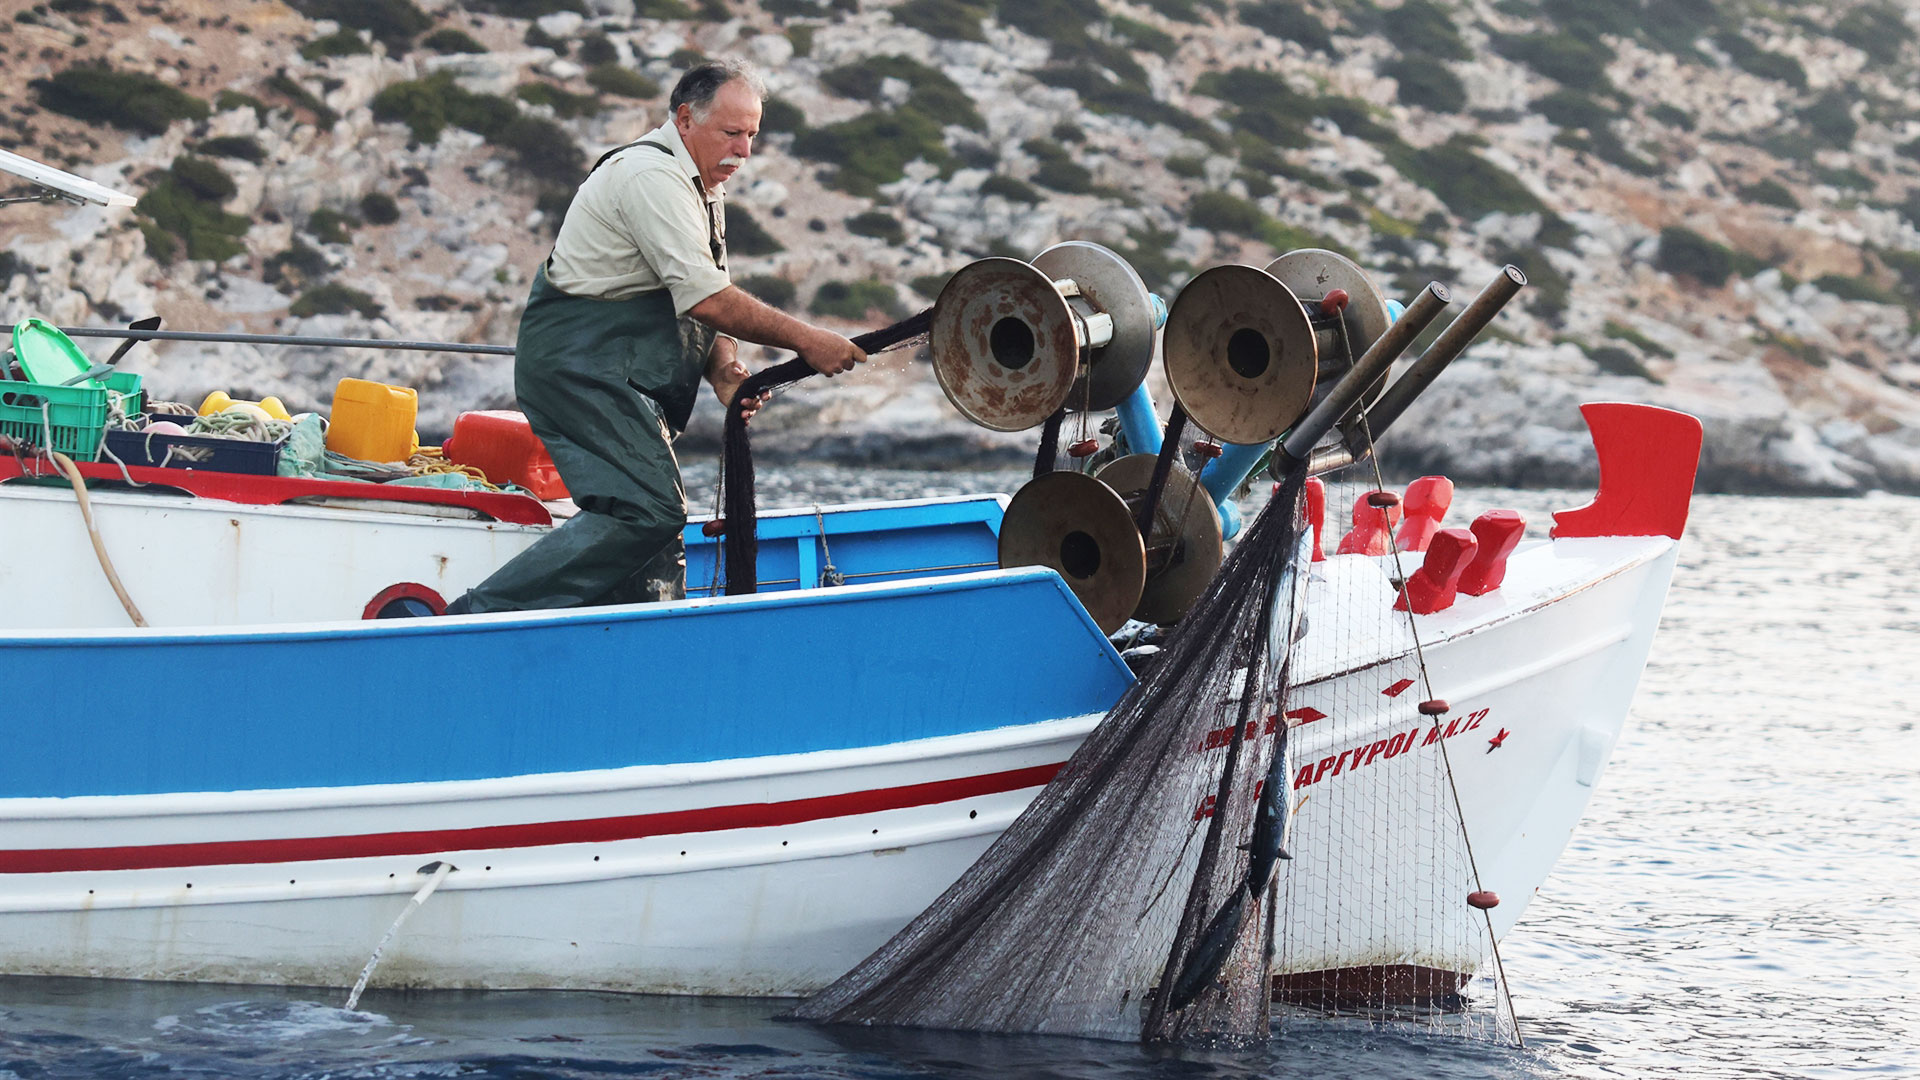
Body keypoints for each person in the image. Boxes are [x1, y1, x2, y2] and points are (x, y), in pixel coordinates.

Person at [447, 59, 866, 614]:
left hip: (625, 379)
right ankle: (477, 618)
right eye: (732, 133)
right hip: (581, 372)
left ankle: (645, 638)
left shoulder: (702, 182)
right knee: (648, 511)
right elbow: (708, 299)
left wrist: (723, 370)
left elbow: (707, 287)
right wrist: (808, 339)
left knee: (656, 536)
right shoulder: (654, 178)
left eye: (752, 136)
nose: (744, 151)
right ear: (686, 118)